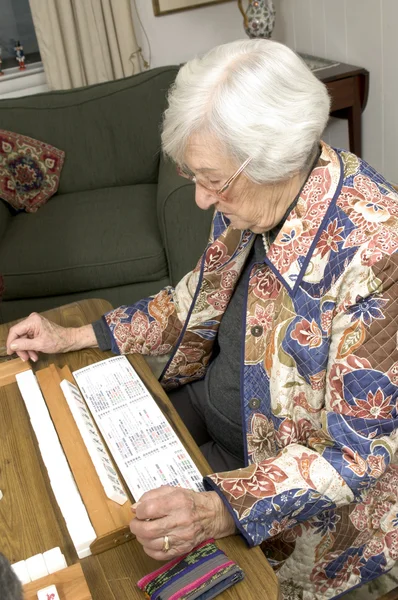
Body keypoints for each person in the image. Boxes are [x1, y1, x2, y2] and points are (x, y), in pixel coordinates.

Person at [6, 40, 398, 599]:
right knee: (63, 477)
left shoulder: (379, 257)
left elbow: (358, 458)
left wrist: (219, 510)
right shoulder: (251, 198)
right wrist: (75, 334)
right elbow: (191, 300)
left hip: (292, 515)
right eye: (193, 174)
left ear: (273, 157)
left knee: (112, 576)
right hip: (204, 419)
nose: (199, 199)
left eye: (211, 179)